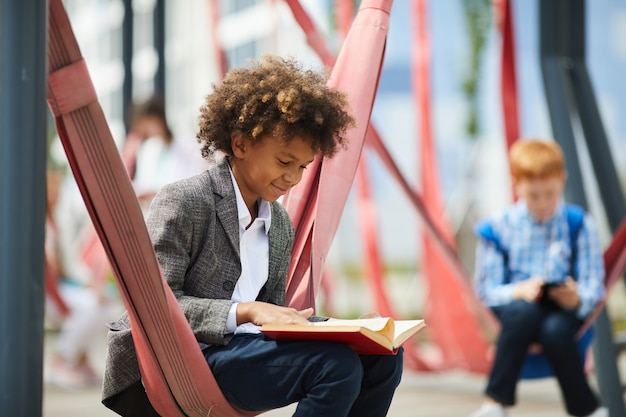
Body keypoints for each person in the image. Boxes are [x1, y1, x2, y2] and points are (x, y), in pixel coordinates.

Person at [102, 55, 404, 417]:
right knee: (333, 367)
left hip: (239, 355)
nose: (293, 177)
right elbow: (154, 308)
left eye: (302, 167)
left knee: (383, 354)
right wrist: (246, 312)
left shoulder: (278, 223)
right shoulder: (185, 200)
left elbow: (275, 319)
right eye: (284, 161)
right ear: (241, 144)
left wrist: (349, 328)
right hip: (180, 361)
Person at [470, 139, 607, 417]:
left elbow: (595, 285)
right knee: (524, 310)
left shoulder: (579, 223)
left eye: (550, 193)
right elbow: (486, 290)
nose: (543, 203)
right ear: (517, 185)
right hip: (516, 311)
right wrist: (518, 291)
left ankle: (585, 410)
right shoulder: (497, 228)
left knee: (554, 330)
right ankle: (497, 404)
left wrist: (577, 296)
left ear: (562, 181)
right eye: (534, 195)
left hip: (563, 312)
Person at [44, 167, 118, 390]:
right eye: (51, 189)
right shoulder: (35, 222)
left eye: (58, 189)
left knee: (106, 302)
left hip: (62, 285)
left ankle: (80, 359)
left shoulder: (59, 219)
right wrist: (62, 302)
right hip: (47, 291)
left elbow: (71, 264)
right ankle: (61, 359)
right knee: (88, 307)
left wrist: (92, 284)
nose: (55, 194)